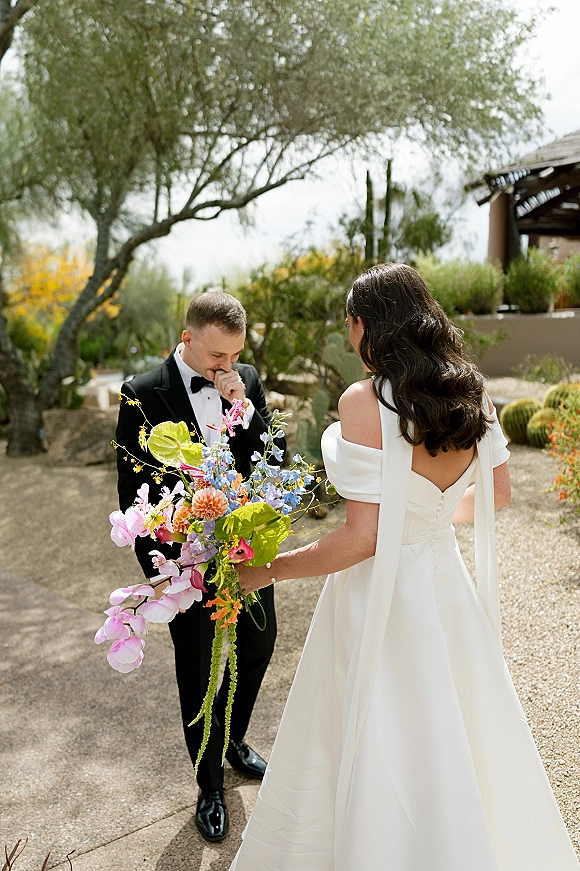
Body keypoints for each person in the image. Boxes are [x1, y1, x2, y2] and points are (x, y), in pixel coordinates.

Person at [228, 263, 580, 870]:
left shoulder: (364, 402)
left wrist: (269, 570)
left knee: (379, 737)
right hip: (445, 588)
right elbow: (497, 497)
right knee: (452, 733)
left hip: (380, 597)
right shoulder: (472, 392)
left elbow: (364, 539)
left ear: (369, 325)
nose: (352, 337)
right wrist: (430, 516)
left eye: (352, 325)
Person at [116, 291, 284, 843]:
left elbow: (268, 462)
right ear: (187, 338)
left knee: (259, 645)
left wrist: (245, 406)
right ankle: (209, 784)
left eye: (235, 355)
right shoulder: (141, 393)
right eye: (217, 357)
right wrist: (163, 571)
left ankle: (234, 742)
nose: (226, 367)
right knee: (198, 665)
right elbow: (134, 486)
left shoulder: (246, 379)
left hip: (243, 548)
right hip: (186, 560)